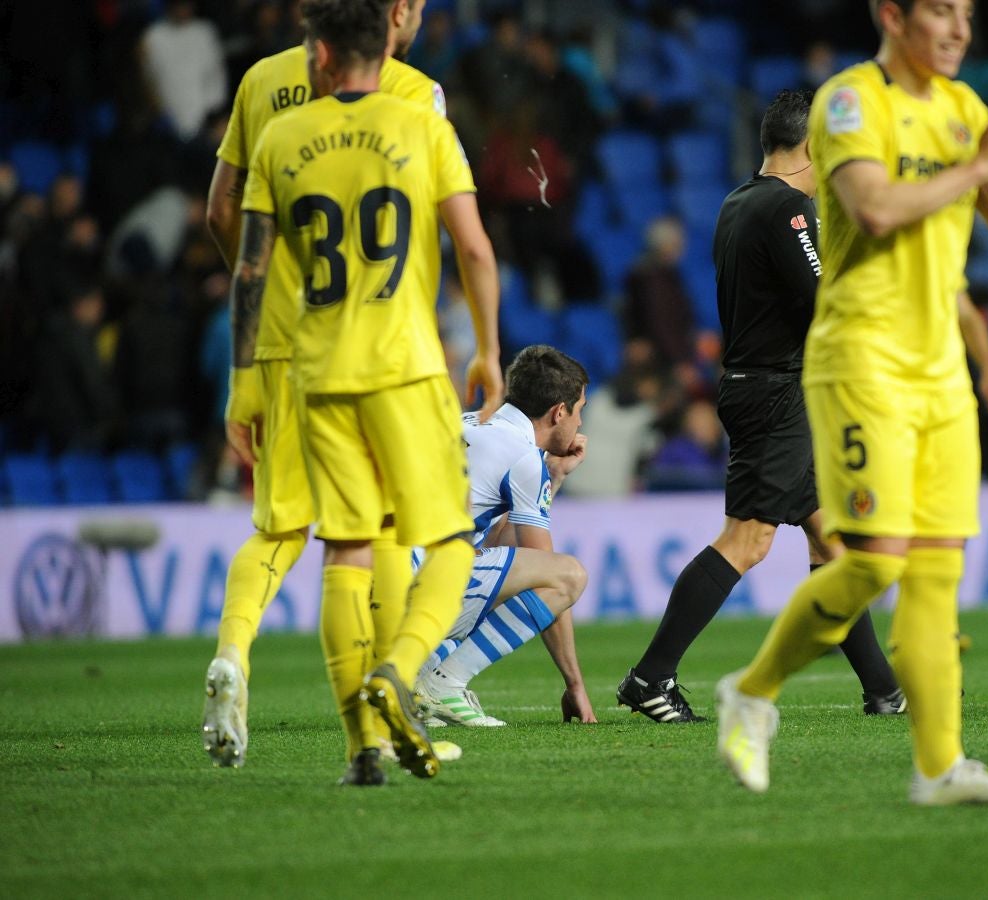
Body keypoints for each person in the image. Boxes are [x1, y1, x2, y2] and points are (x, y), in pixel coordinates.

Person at [715, 0, 988, 805]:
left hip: (939, 370)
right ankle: (753, 690)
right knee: (872, 559)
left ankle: (939, 767)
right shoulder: (847, 102)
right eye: (941, 11)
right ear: (891, 15)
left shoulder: (963, 107)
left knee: (936, 574)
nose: (960, 30)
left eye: (967, 15)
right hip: (861, 360)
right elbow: (873, 206)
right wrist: (983, 162)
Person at [228, 0, 502, 786]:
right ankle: (400, 673)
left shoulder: (281, 136)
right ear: (385, 46)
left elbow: (250, 270)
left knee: (344, 551)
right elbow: (475, 247)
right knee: (447, 538)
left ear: (318, 57)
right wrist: (484, 347)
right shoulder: (421, 122)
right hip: (406, 363)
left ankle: (361, 748)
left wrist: (245, 381)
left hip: (316, 372)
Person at [616, 90, 906, 724]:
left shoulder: (737, 201)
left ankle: (884, 691)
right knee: (747, 540)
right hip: (778, 394)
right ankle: (649, 677)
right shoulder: (789, 210)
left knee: (832, 540)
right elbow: (824, 300)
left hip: (760, 385)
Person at [414, 345, 596, 727]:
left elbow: (503, 543)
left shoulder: (471, 422)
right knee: (570, 575)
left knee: (485, 557)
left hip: (379, 587)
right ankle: (443, 684)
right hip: (415, 586)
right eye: (579, 411)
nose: (580, 423)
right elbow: (546, 571)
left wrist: (556, 476)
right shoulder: (522, 457)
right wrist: (575, 684)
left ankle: (416, 678)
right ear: (558, 412)